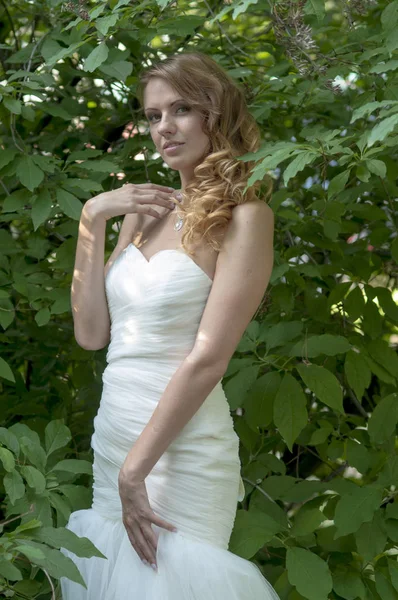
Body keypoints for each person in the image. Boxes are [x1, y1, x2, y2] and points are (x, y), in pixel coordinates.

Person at [60, 50, 279, 599]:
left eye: (181, 109)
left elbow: (209, 356)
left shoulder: (245, 217)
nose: (165, 127)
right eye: (154, 115)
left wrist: (136, 470)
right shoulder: (145, 210)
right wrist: (92, 217)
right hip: (115, 436)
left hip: (180, 451)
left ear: (215, 113)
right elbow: (92, 333)